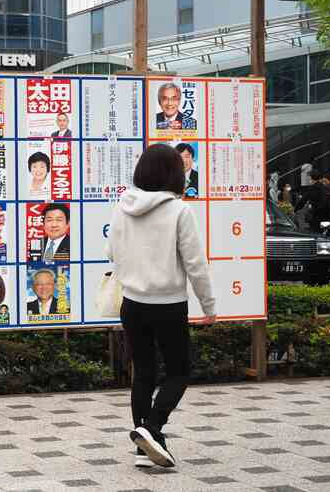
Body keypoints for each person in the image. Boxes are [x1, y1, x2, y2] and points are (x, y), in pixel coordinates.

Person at [106, 143, 216, 468]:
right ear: (174, 175)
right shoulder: (180, 211)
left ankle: (145, 449)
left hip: (132, 303)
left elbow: (113, 254)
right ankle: (151, 428)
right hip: (167, 305)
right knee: (179, 373)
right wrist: (209, 306)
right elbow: (196, 264)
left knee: (144, 374)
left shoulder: (122, 207)